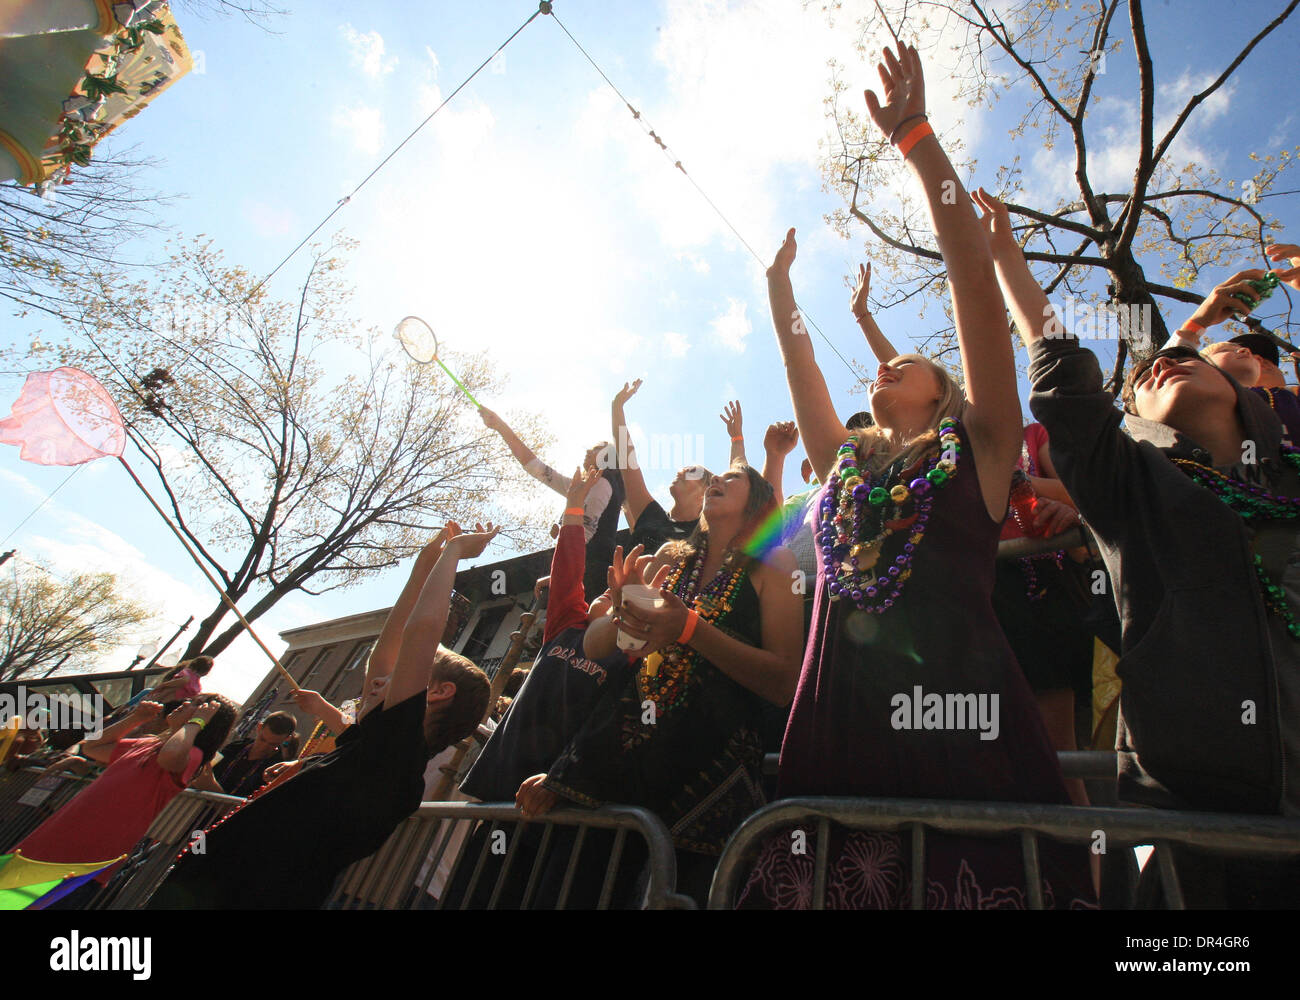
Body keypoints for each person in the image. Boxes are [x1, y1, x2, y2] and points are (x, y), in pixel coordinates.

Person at [739, 44, 1093, 910]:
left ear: (946, 389)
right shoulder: (845, 468)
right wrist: (781, 292)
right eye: (878, 366)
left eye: (905, 361)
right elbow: (803, 377)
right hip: (831, 725)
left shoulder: (980, 442)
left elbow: (972, 279)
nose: (883, 370)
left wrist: (918, 141)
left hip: (958, 723)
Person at [977, 183, 1300, 906]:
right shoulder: (1136, 490)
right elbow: (1061, 369)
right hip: (1187, 848)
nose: (1160, 363)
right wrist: (1002, 253)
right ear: (1139, 425)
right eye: (1144, 378)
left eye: (1190, 356)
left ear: (1248, 392)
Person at [147, 523, 496, 910]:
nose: (380, 678)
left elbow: (421, 632)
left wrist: (453, 555)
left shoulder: (394, 758)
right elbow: (390, 645)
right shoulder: (371, 748)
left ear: (437, 693)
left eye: (410, 671)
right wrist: (426, 563)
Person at [523, 463, 803, 907]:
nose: (717, 481)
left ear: (758, 503)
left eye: (734, 479)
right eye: (717, 477)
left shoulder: (776, 564)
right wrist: (624, 608)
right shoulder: (670, 558)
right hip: (612, 770)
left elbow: (784, 683)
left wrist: (689, 629)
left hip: (706, 785)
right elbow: (598, 647)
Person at [443, 468, 635, 908]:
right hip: (507, 787)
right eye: (601, 593)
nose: (604, 597)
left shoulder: (626, 654)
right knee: (473, 889)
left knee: (525, 892)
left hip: (559, 797)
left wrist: (633, 603)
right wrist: (572, 507)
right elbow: (568, 566)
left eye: (615, 598)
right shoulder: (567, 622)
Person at [12, 695, 237, 908]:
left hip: (80, 864)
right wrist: (136, 717)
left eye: (197, 704)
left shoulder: (192, 755)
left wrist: (195, 722)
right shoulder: (148, 742)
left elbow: (169, 757)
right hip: (47, 844)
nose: (185, 703)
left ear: (208, 719)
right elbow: (93, 747)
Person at [479, 405, 624, 601]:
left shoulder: (603, 483)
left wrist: (557, 574)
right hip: (582, 571)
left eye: (596, 448)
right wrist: (501, 427)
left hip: (590, 577)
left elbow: (583, 534)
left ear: (607, 458)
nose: (589, 450)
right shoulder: (579, 487)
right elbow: (536, 467)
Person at [610, 379, 712, 553]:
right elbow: (628, 460)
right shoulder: (650, 514)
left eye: (693, 472)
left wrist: (737, 441)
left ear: (705, 493)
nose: (682, 470)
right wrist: (617, 407)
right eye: (685, 468)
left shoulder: (706, 536)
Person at [204, 711, 297, 797]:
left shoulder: (275, 770)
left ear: (286, 739)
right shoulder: (235, 748)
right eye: (262, 739)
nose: (263, 747)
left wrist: (210, 785)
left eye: (273, 744)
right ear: (259, 727)